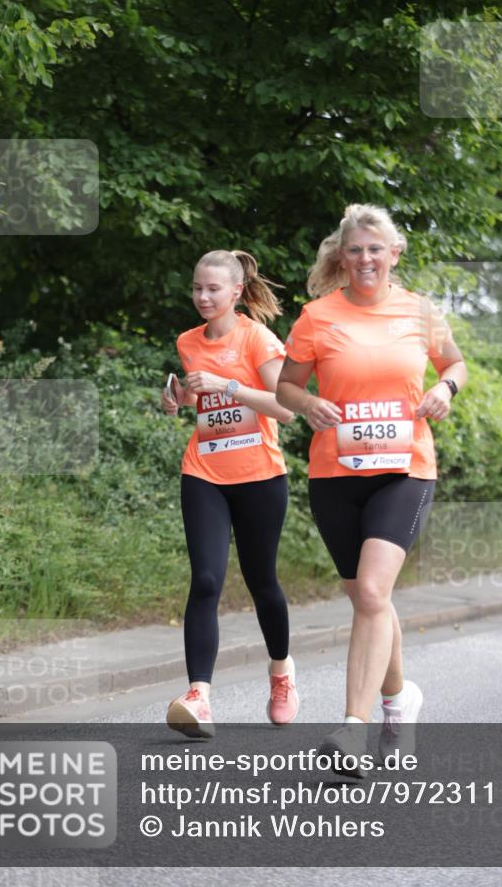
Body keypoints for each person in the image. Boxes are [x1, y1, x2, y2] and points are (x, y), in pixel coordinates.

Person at [276, 204, 467, 773]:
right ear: (342, 256)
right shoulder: (316, 317)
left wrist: (446, 390)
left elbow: (455, 364)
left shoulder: (420, 312)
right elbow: (287, 385)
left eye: (375, 249)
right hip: (336, 473)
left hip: (404, 469)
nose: (365, 259)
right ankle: (400, 698)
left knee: (375, 591)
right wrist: (308, 403)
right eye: (355, 250)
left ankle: (353, 729)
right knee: (367, 597)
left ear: (394, 254)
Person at [162, 249, 299, 737]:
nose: (202, 296)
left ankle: (281, 674)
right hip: (204, 472)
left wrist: (228, 385)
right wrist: (178, 399)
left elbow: (286, 408)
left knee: (262, 582)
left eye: (212, 289)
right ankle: (199, 696)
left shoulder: (257, 338)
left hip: (260, 476)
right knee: (205, 579)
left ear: (236, 292)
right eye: (197, 287)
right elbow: (202, 403)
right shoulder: (187, 341)